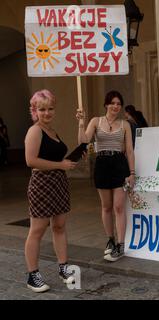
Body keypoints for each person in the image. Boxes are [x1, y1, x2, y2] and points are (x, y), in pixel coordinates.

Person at [24, 89, 78, 293]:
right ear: (35, 111)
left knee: (59, 227)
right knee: (37, 230)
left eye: (50, 109)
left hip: (58, 183)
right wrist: (60, 166)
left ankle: (64, 268)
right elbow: (31, 161)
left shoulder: (52, 131)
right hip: (42, 184)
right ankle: (33, 275)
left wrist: (63, 165)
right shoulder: (35, 131)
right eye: (42, 109)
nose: (47, 113)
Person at [76, 91, 135, 262]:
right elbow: (83, 142)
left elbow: (129, 150)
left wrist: (132, 173)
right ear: (106, 104)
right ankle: (110, 240)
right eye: (112, 103)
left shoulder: (125, 125)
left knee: (118, 207)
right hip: (102, 164)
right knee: (106, 207)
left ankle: (121, 245)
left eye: (118, 103)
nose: (116, 106)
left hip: (119, 164)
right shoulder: (96, 121)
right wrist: (81, 122)